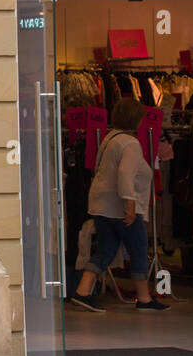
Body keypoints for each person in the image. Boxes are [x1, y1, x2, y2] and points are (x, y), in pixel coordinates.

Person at [69, 97, 170, 312]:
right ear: (137, 119)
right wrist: (130, 205)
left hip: (101, 204)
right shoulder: (130, 143)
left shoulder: (110, 138)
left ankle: (83, 291)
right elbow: (125, 175)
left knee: (106, 248)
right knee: (139, 247)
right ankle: (144, 299)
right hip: (120, 208)